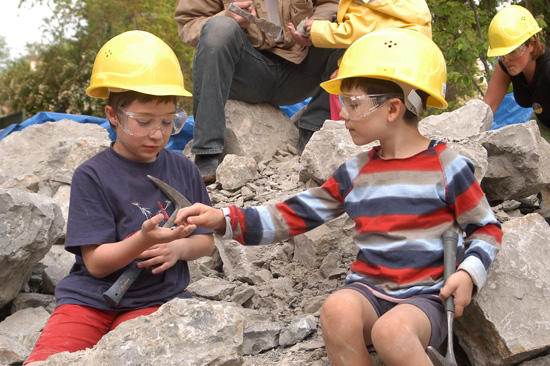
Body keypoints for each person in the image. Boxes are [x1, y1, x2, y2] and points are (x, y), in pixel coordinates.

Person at [175, 29, 502, 366]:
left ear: (392, 109)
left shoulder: (447, 166)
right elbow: (293, 215)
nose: (342, 113)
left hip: (424, 301)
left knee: (392, 333)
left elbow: (486, 229)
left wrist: (467, 274)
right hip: (368, 292)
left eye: (353, 103)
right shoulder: (355, 171)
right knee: (336, 311)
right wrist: (224, 219)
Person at [24, 30, 214, 365]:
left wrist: (177, 248)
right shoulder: (93, 175)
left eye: (168, 122)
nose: (157, 133)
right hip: (89, 300)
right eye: (143, 122)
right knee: (49, 360)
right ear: (113, 115)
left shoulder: (184, 170)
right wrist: (142, 240)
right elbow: (96, 264)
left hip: (156, 300)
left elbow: (206, 240)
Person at [175, 0, 344, 183]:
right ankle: (207, 151)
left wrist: (315, 26)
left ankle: (313, 127)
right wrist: (227, 17)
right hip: (247, 73)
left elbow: (332, 4)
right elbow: (189, 23)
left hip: (302, 70)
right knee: (219, 27)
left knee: (351, 26)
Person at [286, 0, 433, 120]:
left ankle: (335, 133)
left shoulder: (369, 4)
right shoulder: (409, 6)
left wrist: (317, 30)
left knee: (345, 85)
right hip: (410, 72)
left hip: (378, 68)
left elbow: (355, 31)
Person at [483, 5, 549, 134]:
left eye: (512, 51)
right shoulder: (506, 65)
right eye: (502, 54)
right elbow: (488, 107)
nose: (506, 59)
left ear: (532, 44)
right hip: (543, 124)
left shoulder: (547, 70)